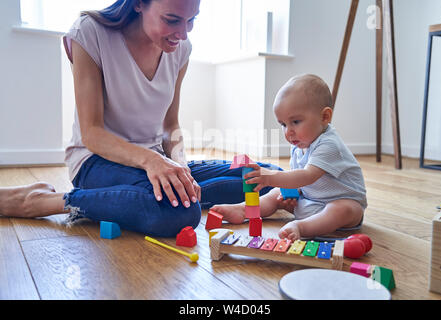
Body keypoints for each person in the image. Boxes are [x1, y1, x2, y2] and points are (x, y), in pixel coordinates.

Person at [0, 0, 280, 237]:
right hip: (95, 161)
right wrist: (153, 161)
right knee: (180, 212)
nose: (182, 34)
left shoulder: (181, 49)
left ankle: (157, 193)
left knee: (268, 175)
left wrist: (179, 165)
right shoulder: (89, 33)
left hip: (154, 160)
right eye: (172, 20)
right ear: (137, 4)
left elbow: (171, 125)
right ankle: (46, 201)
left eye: (191, 21)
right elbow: (92, 133)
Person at [211, 74, 367, 240]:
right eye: (283, 124)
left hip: (343, 208)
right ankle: (244, 210)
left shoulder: (329, 144)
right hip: (310, 202)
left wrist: (270, 177)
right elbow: (297, 181)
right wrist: (291, 194)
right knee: (276, 193)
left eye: (296, 122)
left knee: (343, 209)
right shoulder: (298, 147)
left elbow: (307, 176)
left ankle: (301, 227)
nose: (288, 131)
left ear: (325, 117)